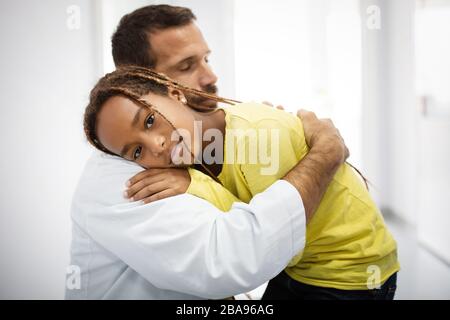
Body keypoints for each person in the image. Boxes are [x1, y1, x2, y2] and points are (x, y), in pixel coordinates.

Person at [66, 5, 348, 299]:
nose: (210, 77)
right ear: (143, 81)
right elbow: (232, 258)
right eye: (186, 66)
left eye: (206, 59)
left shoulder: (200, 139)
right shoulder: (124, 181)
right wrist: (323, 156)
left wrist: (276, 141)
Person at [84, 65, 400, 300]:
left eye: (149, 120)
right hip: (304, 267)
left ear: (175, 93)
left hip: (349, 274)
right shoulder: (201, 147)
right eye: (137, 150)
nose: (157, 145)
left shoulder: (257, 135)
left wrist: (194, 184)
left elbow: (273, 233)